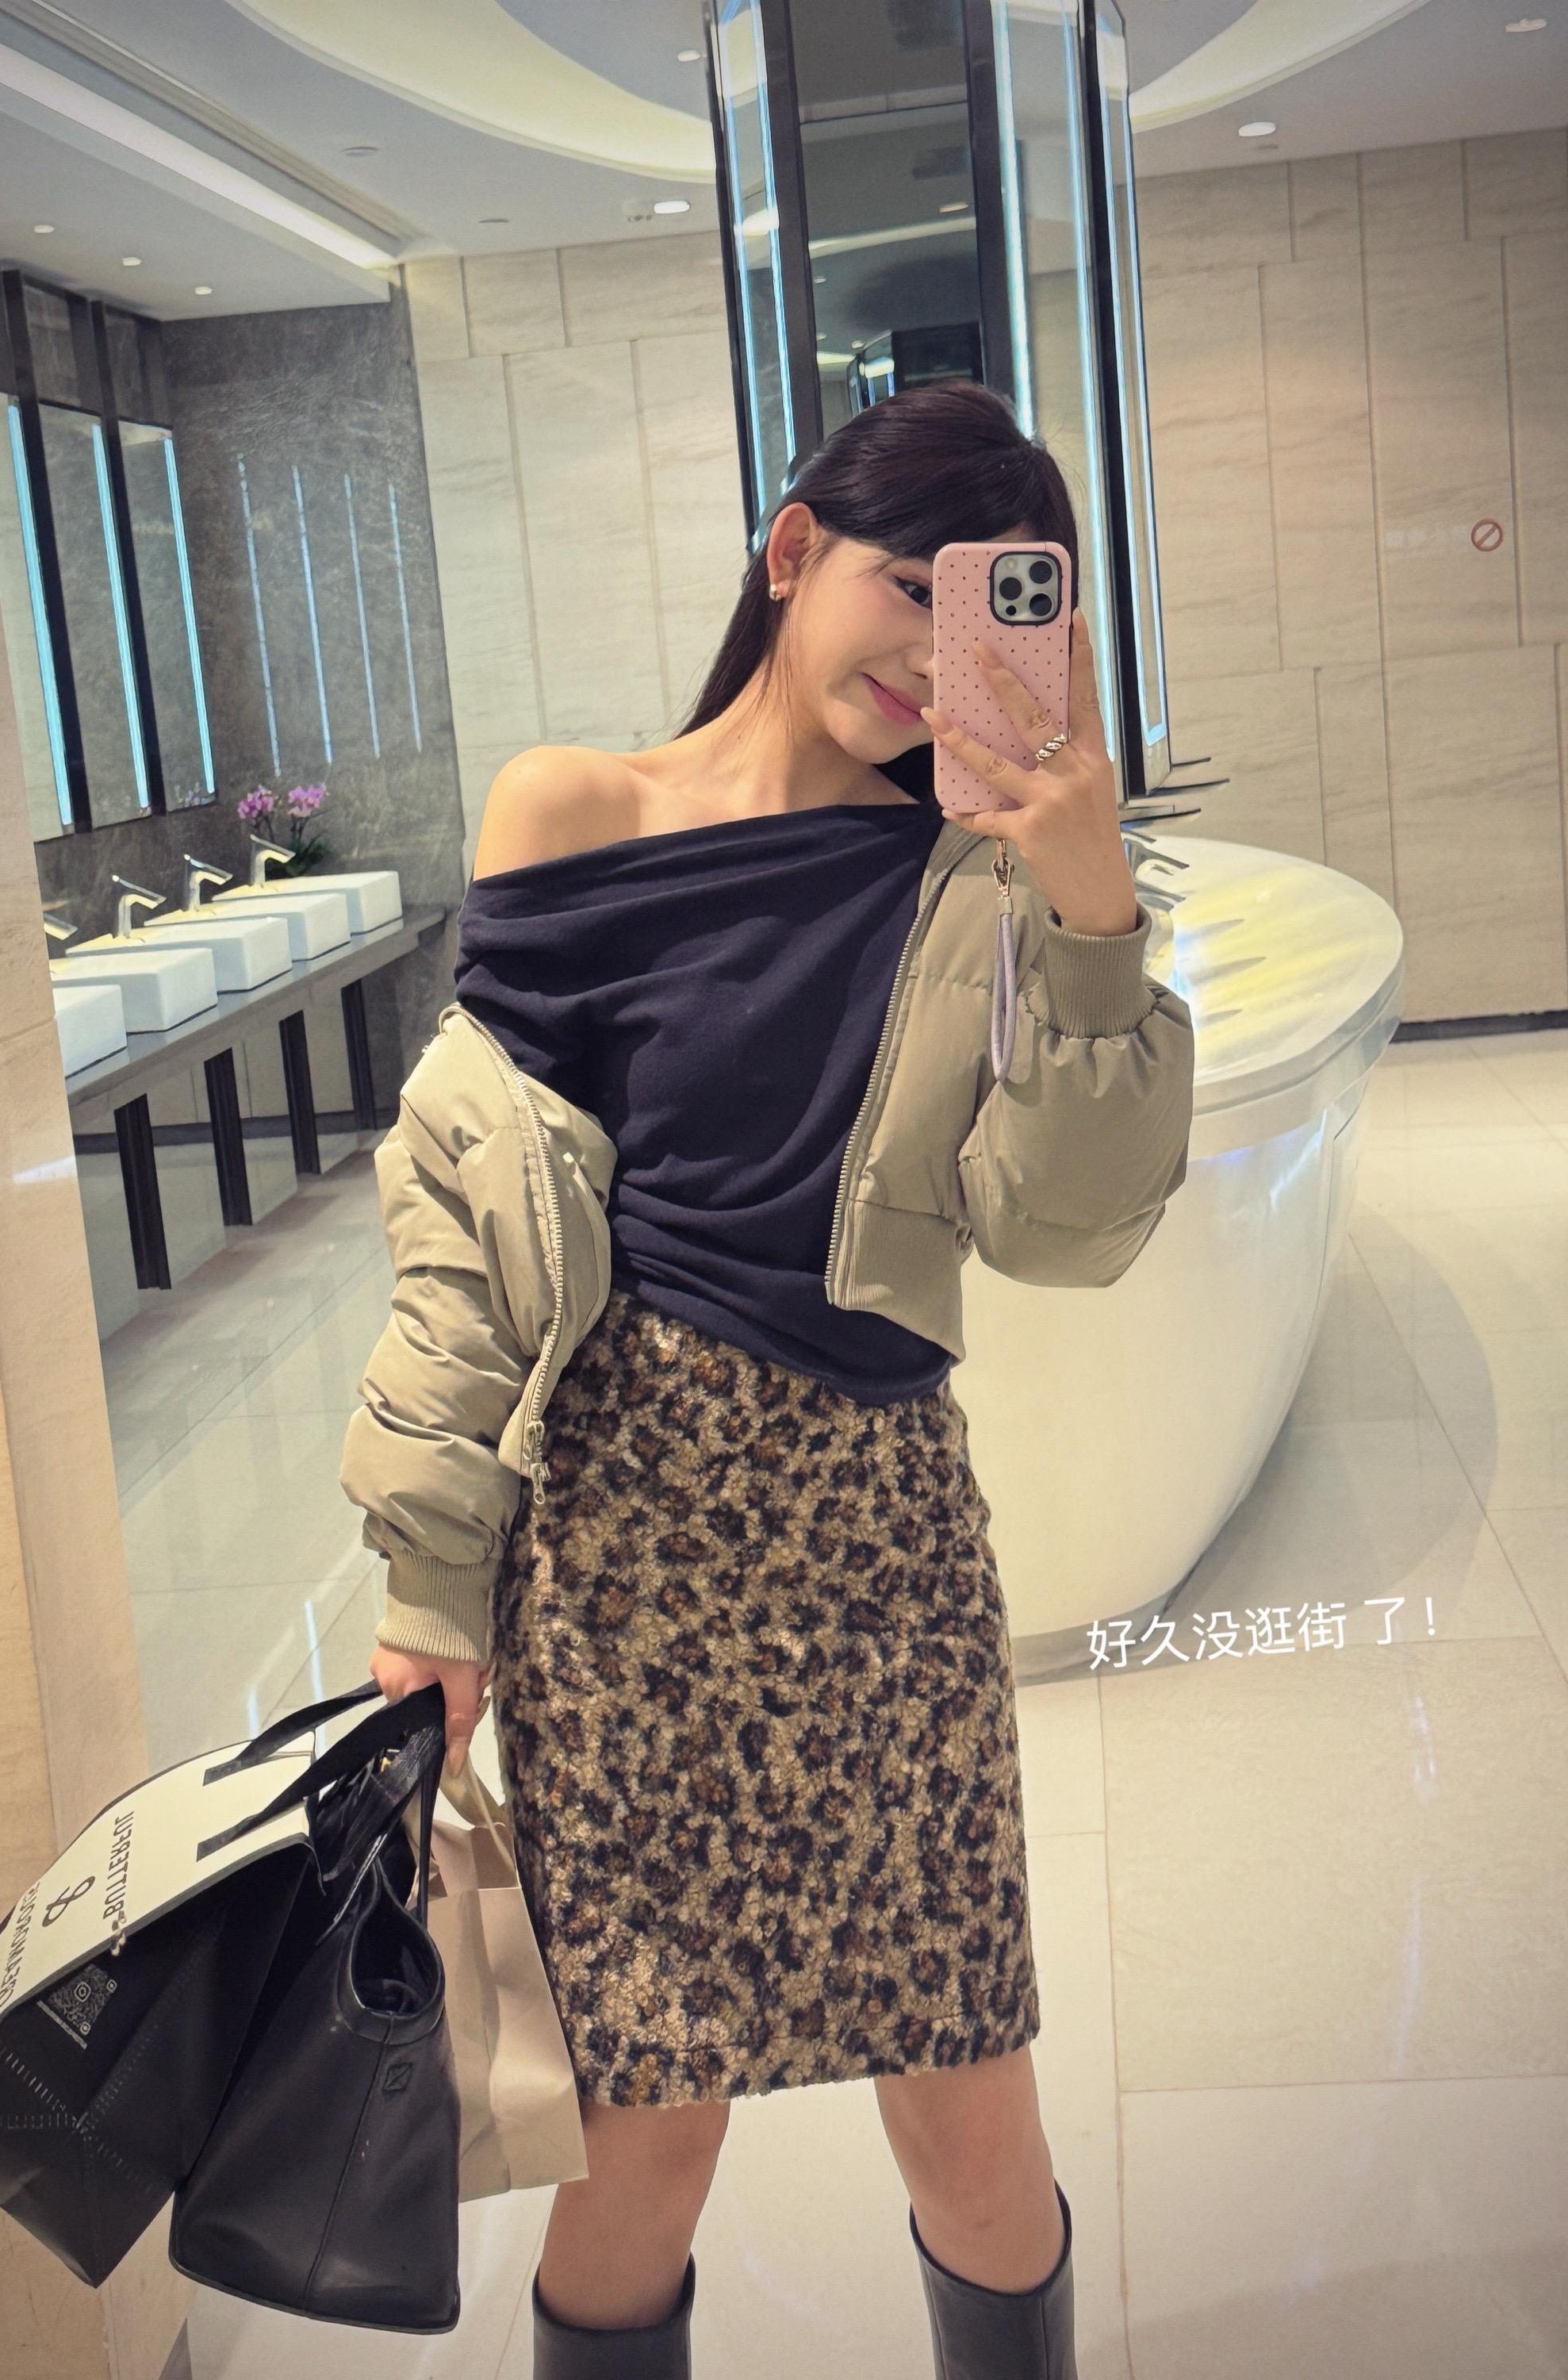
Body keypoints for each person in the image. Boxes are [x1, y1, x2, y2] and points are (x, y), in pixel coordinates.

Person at [343, 379, 1195, 2380]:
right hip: (615, 1576)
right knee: (645, 2148)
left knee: (975, 2129)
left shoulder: (978, 874)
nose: (931, 662)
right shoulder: (571, 811)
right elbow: (469, 1235)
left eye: (988, 618)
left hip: (882, 1552)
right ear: (793, 549)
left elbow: (1071, 1228)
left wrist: (1090, 907)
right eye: (911, 586)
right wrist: (429, 1588)